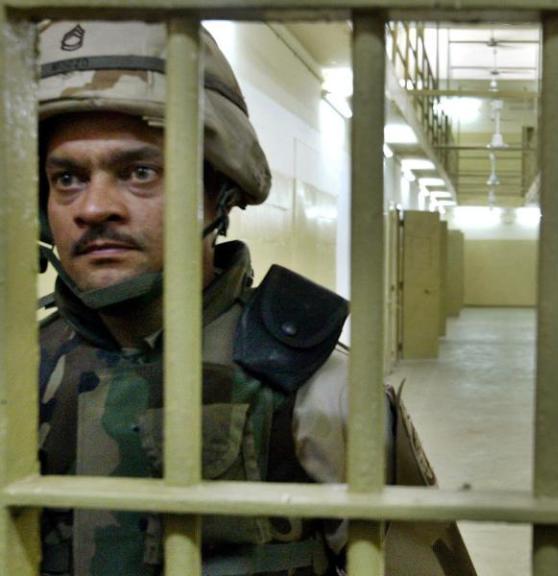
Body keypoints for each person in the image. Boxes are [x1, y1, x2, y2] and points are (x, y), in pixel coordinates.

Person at [36, 20, 475, 576]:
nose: (94, 207)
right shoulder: (17, 375)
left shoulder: (321, 391)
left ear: (219, 191)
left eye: (139, 172)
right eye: (67, 178)